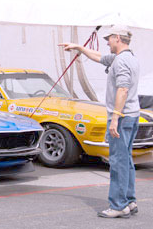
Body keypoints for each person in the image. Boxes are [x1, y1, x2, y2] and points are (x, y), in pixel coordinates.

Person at [59, 24, 140, 219]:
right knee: (126, 160)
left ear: (117, 39)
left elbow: (123, 89)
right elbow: (98, 57)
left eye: (108, 39)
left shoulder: (120, 62)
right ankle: (129, 201)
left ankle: (118, 205)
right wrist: (79, 47)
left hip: (122, 117)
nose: (107, 43)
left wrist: (114, 118)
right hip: (132, 115)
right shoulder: (128, 58)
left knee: (117, 162)